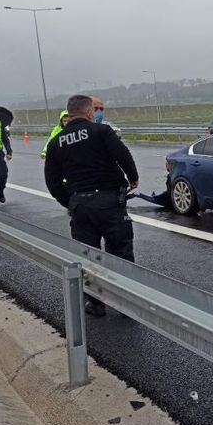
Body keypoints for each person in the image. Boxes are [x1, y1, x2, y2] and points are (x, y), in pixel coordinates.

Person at [44, 95, 139, 317]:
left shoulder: (56, 142)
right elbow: (123, 155)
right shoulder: (102, 131)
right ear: (89, 113)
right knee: (120, 252)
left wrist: (68, 201)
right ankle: (127, 304)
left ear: (68, 114)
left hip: (80, 204)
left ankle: (96, 304)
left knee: (88, 256)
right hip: (109, 201)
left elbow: (52, 180)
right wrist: (133, 178)